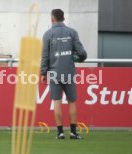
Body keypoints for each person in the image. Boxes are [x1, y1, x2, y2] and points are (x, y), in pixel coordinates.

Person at [40, 9, 87, 139]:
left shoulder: (48, 34)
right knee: (72, 102)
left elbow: (45, 56)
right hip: (69, 72)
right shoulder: (72, 32)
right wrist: (76, 58)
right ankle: (73, 132)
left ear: (52, 19)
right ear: (63, 18)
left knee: (57, 102)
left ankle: (60, 133)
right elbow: (82, 54)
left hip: (54, 73)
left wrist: (43, 72)